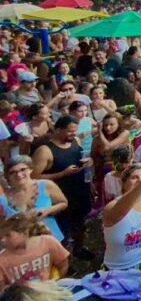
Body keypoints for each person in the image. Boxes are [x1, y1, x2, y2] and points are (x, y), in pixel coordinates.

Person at [31, 115, 93, 259]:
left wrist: (90, 178)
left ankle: (79, 248)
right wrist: (62, 174)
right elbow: (34, 176)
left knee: (80, 223)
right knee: (62, 229)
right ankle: (62, 259)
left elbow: (82, 164)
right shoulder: (45, 150)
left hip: (80, 190)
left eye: (75, 131)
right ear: (58, 130)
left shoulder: (76, 141)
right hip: (59, 196)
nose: (74, 134)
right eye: (70, 131)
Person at [102, 164, 141, 284]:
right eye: (134, 177)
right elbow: (122, 212)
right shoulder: (112, 207)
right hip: (123, 269)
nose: (140, 179)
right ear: (123, 183)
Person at [0, 155, 67, 241]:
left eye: (23, 169)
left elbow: (64, 203)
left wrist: (47, 210)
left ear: (31, 169)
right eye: (13, 172)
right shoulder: (3, 199)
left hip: (50, 239)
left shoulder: (46, 185)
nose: (19, 175)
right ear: (7, 176)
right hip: (21, 246)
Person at [0, 212, 69, 287]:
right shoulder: (2, 260)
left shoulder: (48, 242)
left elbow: (63, 264)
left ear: (25, 233)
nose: (2, 240)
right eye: (1, 237)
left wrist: (56, 285)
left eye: (8, 235)